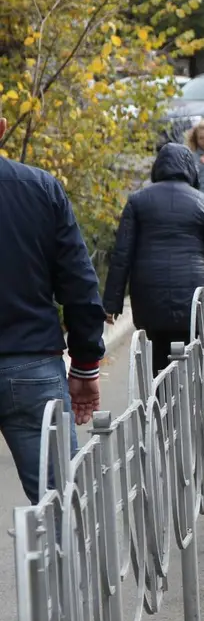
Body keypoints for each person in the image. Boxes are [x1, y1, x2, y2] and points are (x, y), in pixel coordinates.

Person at [0, 115, 105, 503]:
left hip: (32, 363)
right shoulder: (39, 188)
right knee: (60, 502)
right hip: (31, 366)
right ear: (2, 127)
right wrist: (85, 366)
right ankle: (70, 564)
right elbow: (78, 283)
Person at [102, 144, 204, 376]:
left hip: (149, 295)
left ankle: (161, 404)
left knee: (157, 356)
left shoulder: (137, 202)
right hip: (192, 295)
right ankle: (188, 401)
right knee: (191, 351)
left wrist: (112, 303)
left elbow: (122, 254)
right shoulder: (203, 202)